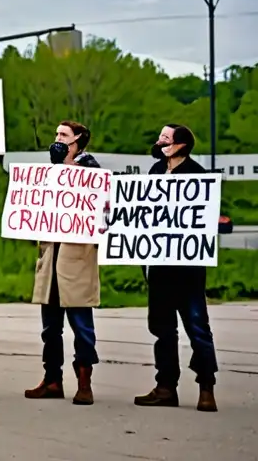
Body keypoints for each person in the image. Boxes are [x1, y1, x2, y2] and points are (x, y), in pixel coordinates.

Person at [134, 124, 219, 412]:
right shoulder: (155, 172)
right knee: (162, 329)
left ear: (181, 145)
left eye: (165, 139)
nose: (159, 142)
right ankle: (165, 387)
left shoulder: (197, 175)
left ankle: (206, 387)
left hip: (188, 269)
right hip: (159, 268)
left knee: (197, 328)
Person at [25, 120, 101, 406]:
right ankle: (52, 379)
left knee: (82, 325)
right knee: (50, 328)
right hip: (52, 258)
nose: (56, 139)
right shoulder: (48, 173)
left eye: (63, 135)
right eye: (55, 133)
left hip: (76, 261)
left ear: (78, 140)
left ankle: (84, 382)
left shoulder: (91, 172)